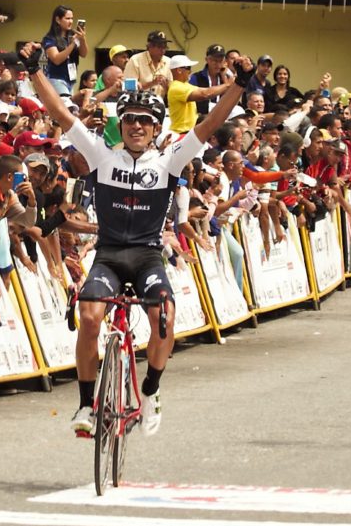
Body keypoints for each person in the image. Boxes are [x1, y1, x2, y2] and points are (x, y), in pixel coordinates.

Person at [28, 43, 253, 438]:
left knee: (163, 317)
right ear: (122, 123)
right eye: (130, 119)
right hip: (110, 255)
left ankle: (151, 390)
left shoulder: (170, 160)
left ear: (155, 128)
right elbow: (60, 114)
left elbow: (211, 124)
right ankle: (85, 403)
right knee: (90, 317)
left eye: (145, 122)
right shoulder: (101, 155)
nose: (136, 126)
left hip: (148, 256)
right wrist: (34, 71)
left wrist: (240, 85)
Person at [166, 54, 231, 134]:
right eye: (188, 68)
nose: (190, 71)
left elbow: (208, 91)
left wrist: (224, 78)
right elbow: (205, 94)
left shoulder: (186, 85)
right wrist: (228, 84)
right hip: (181, 132)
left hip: (189, 132)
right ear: (179, 70)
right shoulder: (176, 87)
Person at [42, 5, 89, 96]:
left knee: (69, 105)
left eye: (72, 18)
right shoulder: (50, 38)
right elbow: (56, 59)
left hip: (70, 80)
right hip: (56, 79)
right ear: (58, 20)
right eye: (67, 18)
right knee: (67, 105)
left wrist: (82, 39)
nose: (71, 21)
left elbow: (84, 54)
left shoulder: (73, 35)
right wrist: (73, 44)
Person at [123, 30, 172, 98]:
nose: (163, 50)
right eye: (159, 47)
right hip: (137, 105)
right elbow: (129, 89)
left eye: (164, 47)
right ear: (150, 47)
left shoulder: (169, 62)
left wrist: (165, 86)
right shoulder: (135, 60)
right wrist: (152, 83)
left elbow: (173, 92)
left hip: (159, 105)